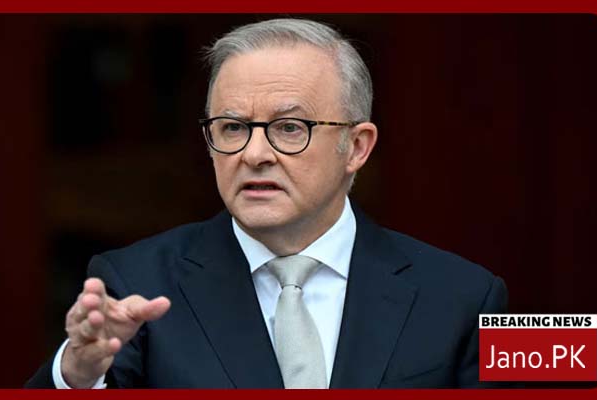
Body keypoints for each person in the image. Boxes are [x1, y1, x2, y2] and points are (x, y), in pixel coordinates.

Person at [26, 17, 508, 389]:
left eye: (290, 128)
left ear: (357, 147)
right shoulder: (138, 284)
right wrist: (78, 372)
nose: (254, 154)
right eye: (233, 128)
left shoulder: (464, 296)